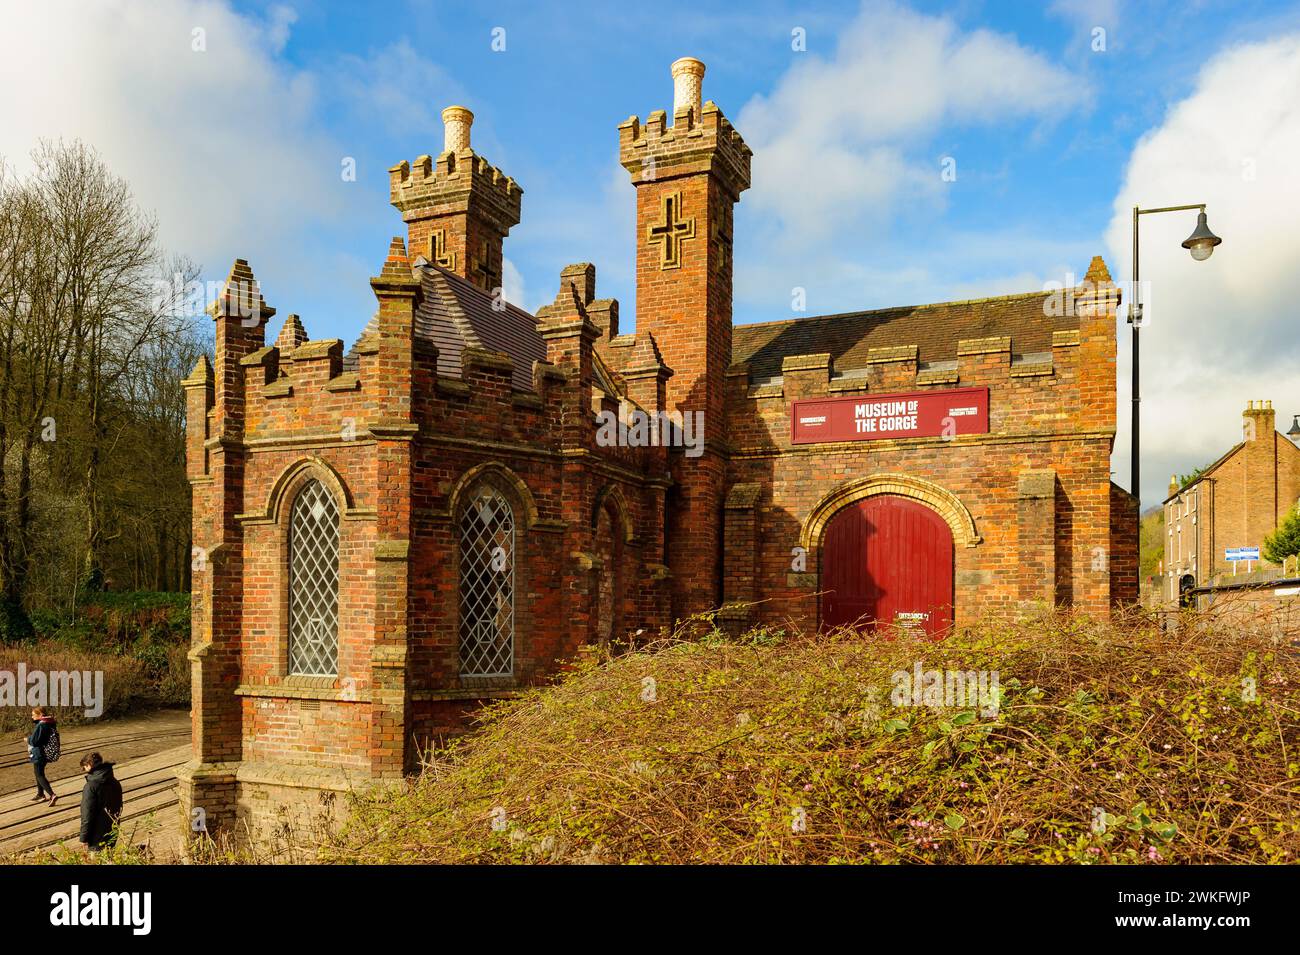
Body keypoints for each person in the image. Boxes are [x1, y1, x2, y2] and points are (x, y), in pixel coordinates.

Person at [78, 752, 123, 852]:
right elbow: (119, 807)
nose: (84, 771)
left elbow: (87, 814)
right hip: (113, 830)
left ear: (89, 765)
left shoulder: (90, 786)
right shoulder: (115, 782)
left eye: (84, 767)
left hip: (96, 836)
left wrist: (83, 838)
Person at [26, 707, 57, 806]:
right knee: (38, 773)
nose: (32, 717)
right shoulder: (49, 723)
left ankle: (52, 795)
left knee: (39, 774)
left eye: (33, 715)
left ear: (40, 715)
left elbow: (35, 741)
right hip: (45, 752)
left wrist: (27, 739)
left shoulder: (42, 725)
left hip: (39, 753)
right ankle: (40, 794)